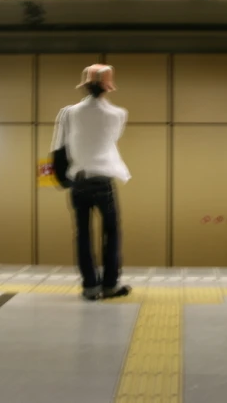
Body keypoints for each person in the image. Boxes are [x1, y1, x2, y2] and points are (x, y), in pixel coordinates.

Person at [51, 64, 132, 301]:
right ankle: (110, 285)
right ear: (108, 88)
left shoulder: (68, 112)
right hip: (104, 181)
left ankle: (90, 287)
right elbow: (108, 141)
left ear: (85, 86)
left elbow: (58, 147)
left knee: (83, 234)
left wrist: (62, 179)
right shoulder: (118, 114)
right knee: (112, 232)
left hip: (79, 180)